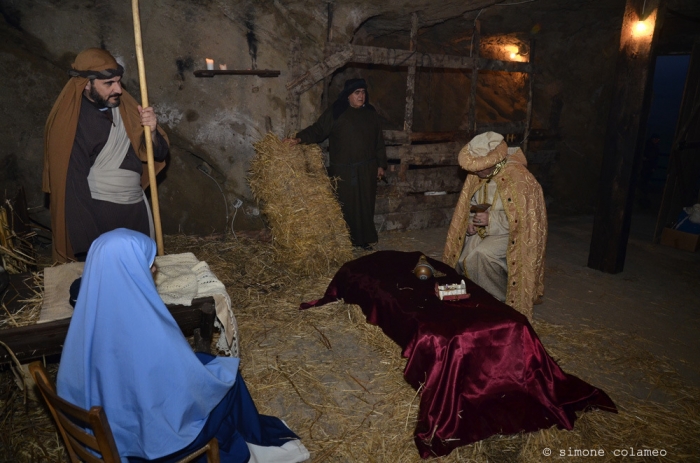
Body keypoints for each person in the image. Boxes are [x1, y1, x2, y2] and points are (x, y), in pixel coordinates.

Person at [56, 228, 310, 463]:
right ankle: (243, 446)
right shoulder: (147, 328)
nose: (155, 268)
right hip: (149, 447)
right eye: (149, 263)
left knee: (208, 364)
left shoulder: (86, 322)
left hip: (108, 430)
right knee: (227, 381)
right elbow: (185, 392)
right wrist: (213, 380)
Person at [43, 48, 169, 263]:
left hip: (136, 208)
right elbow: (72, 186)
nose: (118, 90)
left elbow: (157, 153)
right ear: (86, 84)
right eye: (109, 84)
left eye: (119, 81)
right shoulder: (72, 125)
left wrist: (153, 130)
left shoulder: (125, 107)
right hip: (102, 215)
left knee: (141, 272)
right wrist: (88, 245)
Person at [442, 132, 547, 320]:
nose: (476, 172)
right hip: (484, 230)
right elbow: (472, 204)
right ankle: (476, 297)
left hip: (510, 234)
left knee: (481, 256)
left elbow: (525, 222)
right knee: (463, 259)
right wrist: (471, 222)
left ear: (493, 162)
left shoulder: (520, 178)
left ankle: (500, 300)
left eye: (481, 168)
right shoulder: (478, 174)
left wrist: (491, 220)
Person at [285, 78, 387, 249]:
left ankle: (363, 240)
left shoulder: (370, 113)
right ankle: (346, 241)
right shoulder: (337, 111)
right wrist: (299, 138)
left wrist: (380, 165)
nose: (361, 96)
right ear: (348, 95)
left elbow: (379, 141)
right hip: (344, 172)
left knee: (366, 205)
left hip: (367, 169)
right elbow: (318, 130)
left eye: (363, 92)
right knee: (346, 206)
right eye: (357, 92)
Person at [638, 134, 661, 209]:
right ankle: (642, 195)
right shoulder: (649, 146)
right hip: (646, 167)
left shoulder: (654, 147)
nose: (657, 141)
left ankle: (643, 196)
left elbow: (655, 158)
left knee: (645, 181)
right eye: (656, 139)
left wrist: (653, 166)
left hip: (649, 167)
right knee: (643, 181)